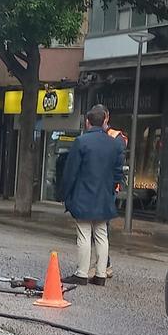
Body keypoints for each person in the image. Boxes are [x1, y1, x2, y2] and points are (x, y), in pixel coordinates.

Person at [60, 105, 125, 287]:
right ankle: (101, 274)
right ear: (104, 121)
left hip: (83, 195)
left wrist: (65, 194)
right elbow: (118, 172)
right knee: (102, 235)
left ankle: (81, 273)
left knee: (84, 234)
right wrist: (111, 188)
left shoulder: (81, 142)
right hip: (104, 196)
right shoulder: (114, 144)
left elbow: (71, 171)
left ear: (87, 122)